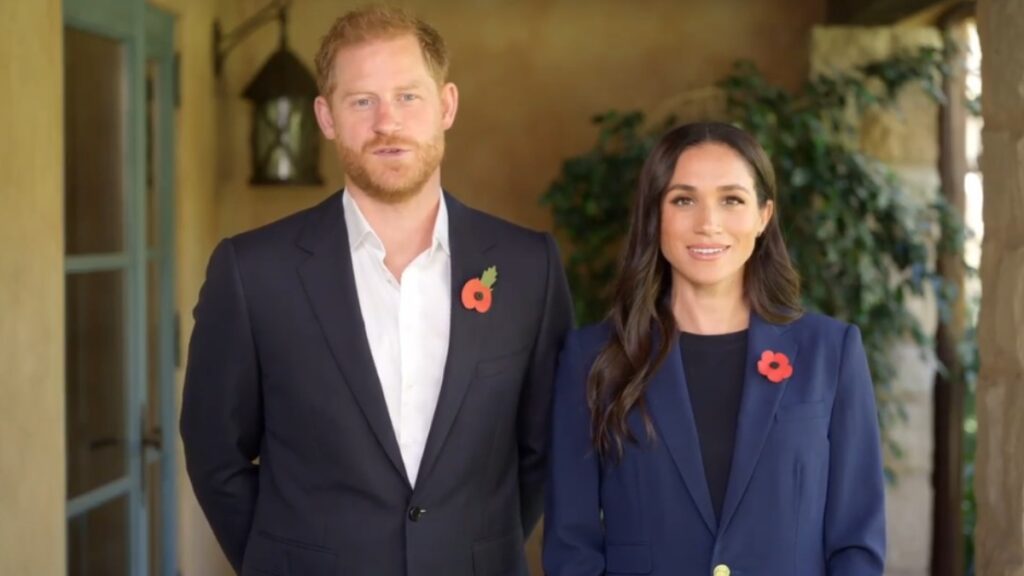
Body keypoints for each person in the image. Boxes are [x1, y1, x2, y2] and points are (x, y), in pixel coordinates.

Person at [180, 6, 573, 576]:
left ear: (446, 106)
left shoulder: (527, 266)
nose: (387, 122)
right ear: (326, 117)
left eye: (408, 97)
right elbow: (215, 453)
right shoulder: (252, 271)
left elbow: (543, 448)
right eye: (362, 101)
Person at [543, 122, 885, 575]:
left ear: (764, 216)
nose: (708, 223)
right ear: (655, 215)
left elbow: (856, 543)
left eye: (732, 200)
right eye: (684, 200)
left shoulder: (831, 353)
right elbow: (572, 549)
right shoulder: (593, 359)